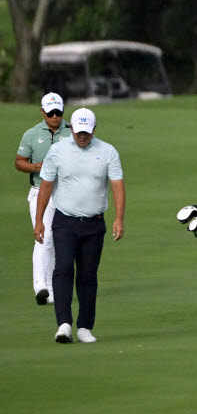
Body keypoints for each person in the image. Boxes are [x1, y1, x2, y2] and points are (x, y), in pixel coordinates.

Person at [34, 108, 125, 344]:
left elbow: (116, 185)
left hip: (94, 223)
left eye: (87, 132)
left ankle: (85, 327)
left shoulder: (108, 152)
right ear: (71, 128)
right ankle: (64, 324)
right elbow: (46, 185)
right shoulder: (58, 151)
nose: (82, 136)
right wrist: (39, 219)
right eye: (78, 131)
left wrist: (119, 218)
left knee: (87, 275)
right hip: (64, 221)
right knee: (63, 269)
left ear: (94, 129)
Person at [16, 93, 73, 306]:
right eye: (51, 113)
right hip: (39, 191)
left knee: (60, 242)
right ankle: (41, 287)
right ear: (42, 112)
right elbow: (19, 161)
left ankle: (52, 287)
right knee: (44, 237)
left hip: (66, 193)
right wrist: (34, 167)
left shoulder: (73, 132)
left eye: (59, 112)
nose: (56, 117)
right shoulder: (31, 134)